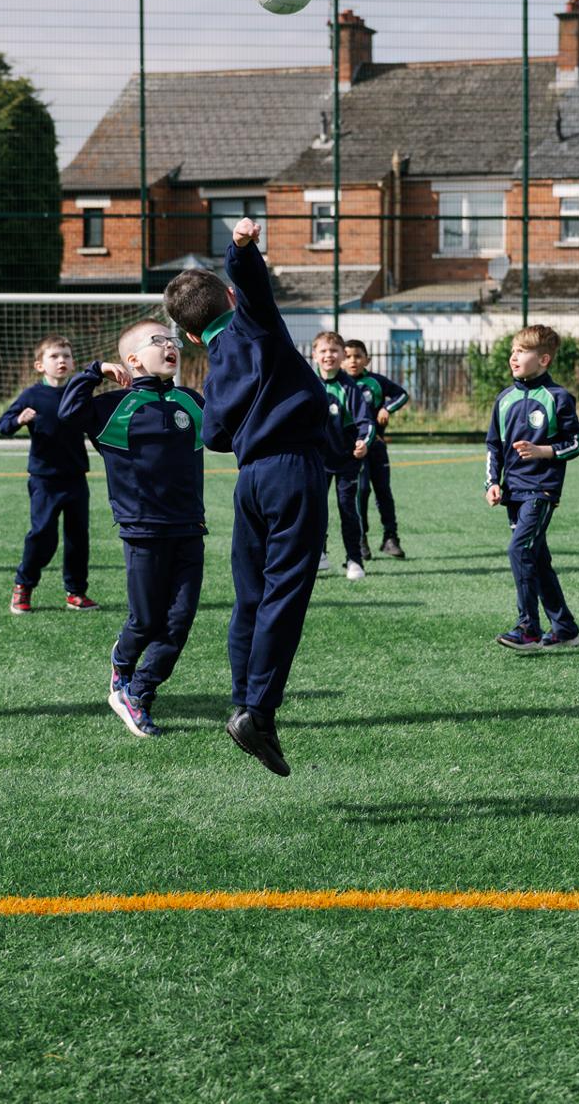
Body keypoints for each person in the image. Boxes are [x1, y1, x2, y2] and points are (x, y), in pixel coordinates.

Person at [163, 216, 332, 777]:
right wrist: (241, 248)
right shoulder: (253, 327)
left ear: (189, 337)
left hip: (250, 481)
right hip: (291, 471)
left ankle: (243, 700)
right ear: (234, 299)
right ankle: (258, 710)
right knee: (285, 591)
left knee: (252, 596)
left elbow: (212, 436)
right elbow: (254, 287)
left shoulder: (215, 368)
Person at [58, 319, 206, 738]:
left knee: (178, 622)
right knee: (146, 619)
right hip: (143, 529)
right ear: (134, 359)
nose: (170, 345)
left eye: (173, 340)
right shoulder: (113, 408)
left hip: (190, 527)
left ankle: (137, 693)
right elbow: (68, 415)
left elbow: (227, 430)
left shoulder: (191, 401)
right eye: (158, 340)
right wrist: (93, 371)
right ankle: (122, 665)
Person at [484, 325, 579, 651]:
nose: (514, 357)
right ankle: (565, 628)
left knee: (519, 550)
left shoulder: (558, 398)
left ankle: (527, 627)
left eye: (522, 352)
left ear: (543, 359)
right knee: (536, 559)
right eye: (513, 351)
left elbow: (575, 443)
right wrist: (492, 484)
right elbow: (494, 447)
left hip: (541, 490)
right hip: (512, 492)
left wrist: (543, 451)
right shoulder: (504, 399)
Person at [0, 335, 98, 615]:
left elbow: (94, 425)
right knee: (43, 535)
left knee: (78, 537)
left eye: (66, 355)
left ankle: (76, 592)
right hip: (44, 479)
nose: (62, 360)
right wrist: (19, 419)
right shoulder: (32, 395)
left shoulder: (78, 392)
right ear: (40, 365)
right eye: (54, 356)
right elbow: (2, 425)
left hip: (76, 477)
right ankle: (23, 585)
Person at [310, 331, 374, 581]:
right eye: (324, 351)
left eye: (334, 351)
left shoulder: (350, 387)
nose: (329, 355)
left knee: (348, 509)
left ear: (342, 356)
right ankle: (318, 555)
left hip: (347, 461)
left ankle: (354, 559)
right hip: (316, 462)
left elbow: (366, 422)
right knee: (315, 511)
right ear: (315, 355)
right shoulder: (307, 384)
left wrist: (363, 442)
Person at [341, 339, 409, 559]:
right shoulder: (338, 385)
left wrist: (386, 408)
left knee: (383, 491)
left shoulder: (375, 382)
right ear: (342, 360)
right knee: (361, 491)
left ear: (367, 359)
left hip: (377, 446)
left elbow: (402, 394)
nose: (353, 360)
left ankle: (390, 538)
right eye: (348, 356)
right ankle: (361, 541)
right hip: (354, 449)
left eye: (358, 356)